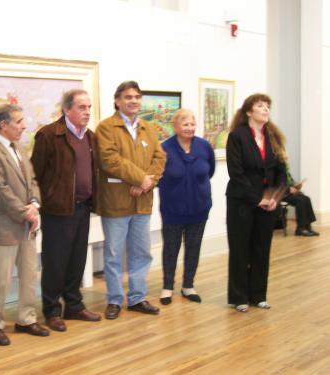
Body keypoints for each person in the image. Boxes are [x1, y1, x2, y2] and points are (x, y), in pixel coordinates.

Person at [0, 104, 49, 346]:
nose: (23, 126)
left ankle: (26, 319)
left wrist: (35, 204)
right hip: (3, 227)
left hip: (27, 226)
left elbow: (32, 181)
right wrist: (25, 212)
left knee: (30, 275)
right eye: (18, 121)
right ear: (3, 125)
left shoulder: (18, 148)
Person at [31, 89, 102, 332]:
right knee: (55, 263)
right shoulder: (49, 135)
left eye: (89, 107)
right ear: (67, 110)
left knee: (77, 261)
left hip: (83, 209)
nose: (87, 112)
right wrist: (42, 202)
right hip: (57, 211)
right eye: (82, 107)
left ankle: (74, 305)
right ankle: (51, 311)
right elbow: (35, 175)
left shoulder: (91, 137)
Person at [96, 81, 166, 320]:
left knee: (141, 252)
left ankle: (137, 297)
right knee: (114, 254)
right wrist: (140, 179)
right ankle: (114, 300)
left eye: (137, 97)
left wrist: (148, 181)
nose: (133, 101)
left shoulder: (149, 127)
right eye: (128, 97)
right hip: (116, 202)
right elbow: (110, 160)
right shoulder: (106, 128)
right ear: (117, 101)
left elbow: (160, 156)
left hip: (142, 202)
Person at [226, 93, 287, 313]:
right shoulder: (237, 136)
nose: (266, 109)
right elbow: (236, 173)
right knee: (240, 249)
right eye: (260, 106)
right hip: (242, 201)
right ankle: (239, 297)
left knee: (262, 249)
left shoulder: (273, 137)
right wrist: (257, 198)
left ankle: (258, 295)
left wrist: (275, 196)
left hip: (268, 201)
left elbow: (281, 171)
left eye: (268, 106)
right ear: (249, 112)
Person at [157, 109, 215, 305]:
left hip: (199, 208)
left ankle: (188, 285)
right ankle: (167, 287)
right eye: (185, 124)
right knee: (171, 248)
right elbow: (157, 175)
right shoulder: (164, 148)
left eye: (192, 124)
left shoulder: (204, 146)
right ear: (175, 126)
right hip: (172, 209)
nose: (189, 128)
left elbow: (210, 171)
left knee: (193, 247)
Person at [283, 168, 319, 236]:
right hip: (281, 195)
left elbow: (292, 184)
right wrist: (288, 189)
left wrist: (297, 186)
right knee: (300, 200)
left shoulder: (287, 173)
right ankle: (300, 228)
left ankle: (308, 226)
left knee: (307, 199)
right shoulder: (276, 172)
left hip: (289, 194)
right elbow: (275, 186)